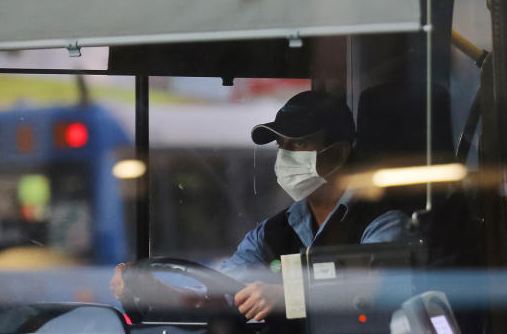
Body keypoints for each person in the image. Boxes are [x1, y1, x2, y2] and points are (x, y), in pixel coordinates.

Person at [111, 90, 408, 321]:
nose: (286, 156)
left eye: (299, 144)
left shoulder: (383, 222)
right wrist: (156, 291)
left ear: (339, 152)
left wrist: (287, 295)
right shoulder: (271, 233)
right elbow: (220, 292)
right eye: (282, 145)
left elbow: (375, 290)